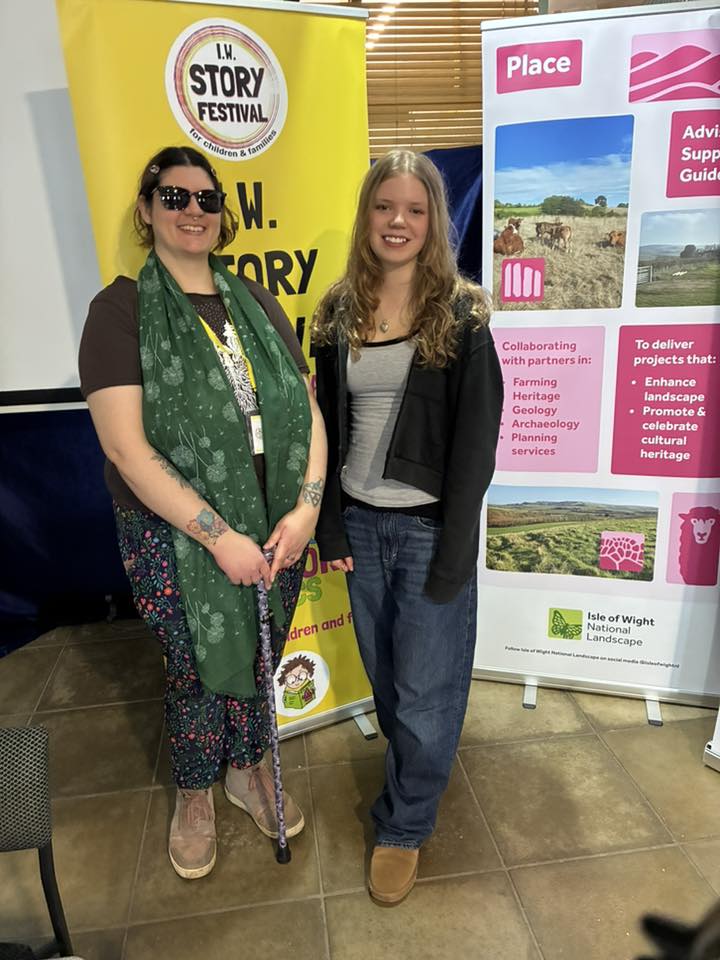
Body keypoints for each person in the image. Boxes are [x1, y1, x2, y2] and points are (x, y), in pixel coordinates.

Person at [79, 145, 327, 879]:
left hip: (276, 520)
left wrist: (308, 508)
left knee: (262, 649)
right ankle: (195, 790)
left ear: (224, 215)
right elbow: (126, 449)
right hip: (173, 534)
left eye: (206, 199)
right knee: (193, 665)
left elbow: (306, 408)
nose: (193, 210)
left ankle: (247, 769)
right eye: (175, 196)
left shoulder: (257, 301)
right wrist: (217, 538)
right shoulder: (119, 310)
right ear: (146, 209)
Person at [312, 149, 503, 904]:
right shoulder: (336, 310)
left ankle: (405, 823)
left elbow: (476, 444)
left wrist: (456, 549)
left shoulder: (462, 312)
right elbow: (324, 426)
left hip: (428, 531)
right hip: (360, 527)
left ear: (435, 221)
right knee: (392, 683)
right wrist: (330, 528)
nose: (398, 222)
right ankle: (417, 773)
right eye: (384, 207)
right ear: (367, 216)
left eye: (415, 209)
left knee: (426, 692)